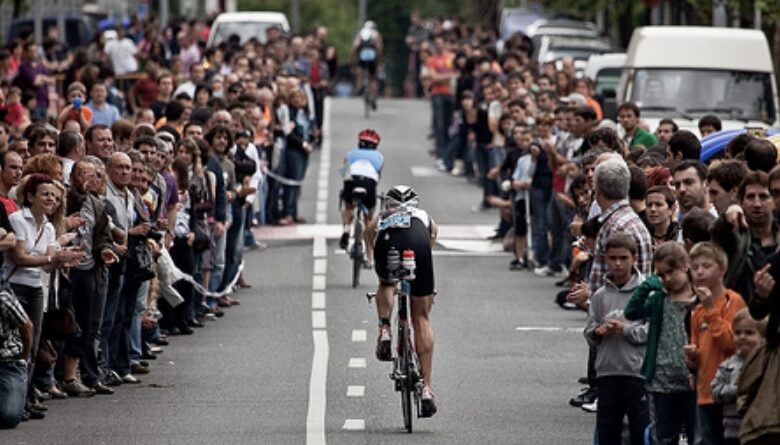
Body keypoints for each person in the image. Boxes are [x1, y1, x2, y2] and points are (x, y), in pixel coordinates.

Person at [371, 185, 438, 417]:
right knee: (421, 317)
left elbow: (370, 235)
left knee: (387, 284)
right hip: (418, 247)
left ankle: (385, 327)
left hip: (387, 244)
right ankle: (426, 388)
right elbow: (432, 238)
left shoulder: (382, 216)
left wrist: (374, 258)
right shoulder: (423, 216)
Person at [625, 242, 698, 444]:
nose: (667, 279)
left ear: (685, 265)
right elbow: (631, 312)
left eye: (671, 272)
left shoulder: (699, 298)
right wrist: (648, 285)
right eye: (661, 275)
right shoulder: (659, 299)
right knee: (665, 437)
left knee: (697, 436)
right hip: (662, 380)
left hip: (693, 379)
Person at [584, 233, 649, 445]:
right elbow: (589, 331)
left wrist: (626, 330)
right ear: (605, 259)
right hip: (607, 371)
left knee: (640, 431)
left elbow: (652, 331)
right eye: (613, 258)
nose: (618, 264)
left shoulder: (646, 292)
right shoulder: (600, 295)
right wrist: (598, 332)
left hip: (637, 373)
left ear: (634, 258)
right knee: (607, 431)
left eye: (623, 258)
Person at [685, 242, 746, 445]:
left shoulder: (733, 301)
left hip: (729, 392)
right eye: (695, 268)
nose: (700, 272)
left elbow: (731, 343)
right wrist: (691, 358)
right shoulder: (697, 310)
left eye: (706, 266)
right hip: (705, 392)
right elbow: (697, 355)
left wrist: (712, 310)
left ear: (722, 269)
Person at [711, 308, 766, 445]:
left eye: (749, 333)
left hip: (760, 429)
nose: (742, 337)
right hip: (732, 431)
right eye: (737, 333)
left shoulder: (767, 364)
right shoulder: (727, 365)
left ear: (763, 337)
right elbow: (715, 390)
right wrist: (736, 389)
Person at [339, 129, 383, 264]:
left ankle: (346, 228)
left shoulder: (350, 154)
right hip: (369, 184)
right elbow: (377, 178)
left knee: (348, 206)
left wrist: (346, 191)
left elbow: (344, 173)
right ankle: (369, 257)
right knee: (369, 219)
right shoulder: (379, 157)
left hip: (351, 181)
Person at [351, 20, 383, 109]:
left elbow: (355, 46)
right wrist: (379, 61)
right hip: (372, 57)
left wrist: (352, 59)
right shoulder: (376, 34)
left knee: (360, 71)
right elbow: (379, 48)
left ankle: (360, 86)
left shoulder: (361, 33)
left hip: (362, 56)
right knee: (373, 78)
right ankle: (373, 96)